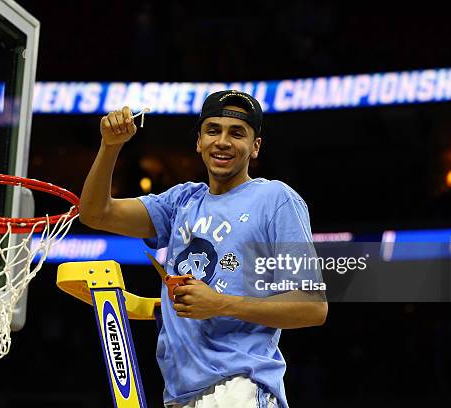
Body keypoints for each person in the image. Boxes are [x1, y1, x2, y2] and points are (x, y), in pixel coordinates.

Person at [79, 90, 327, 408]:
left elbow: (312, 306)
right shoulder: (182, 201)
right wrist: (110, 147)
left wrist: (220, 304)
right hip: (181, 396)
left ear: (255, 147)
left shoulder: (277, 200)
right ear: (199, 142)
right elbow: (95, 213)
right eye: (213, 130)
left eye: (237, 133)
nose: (222, 141)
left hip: (239, 389)